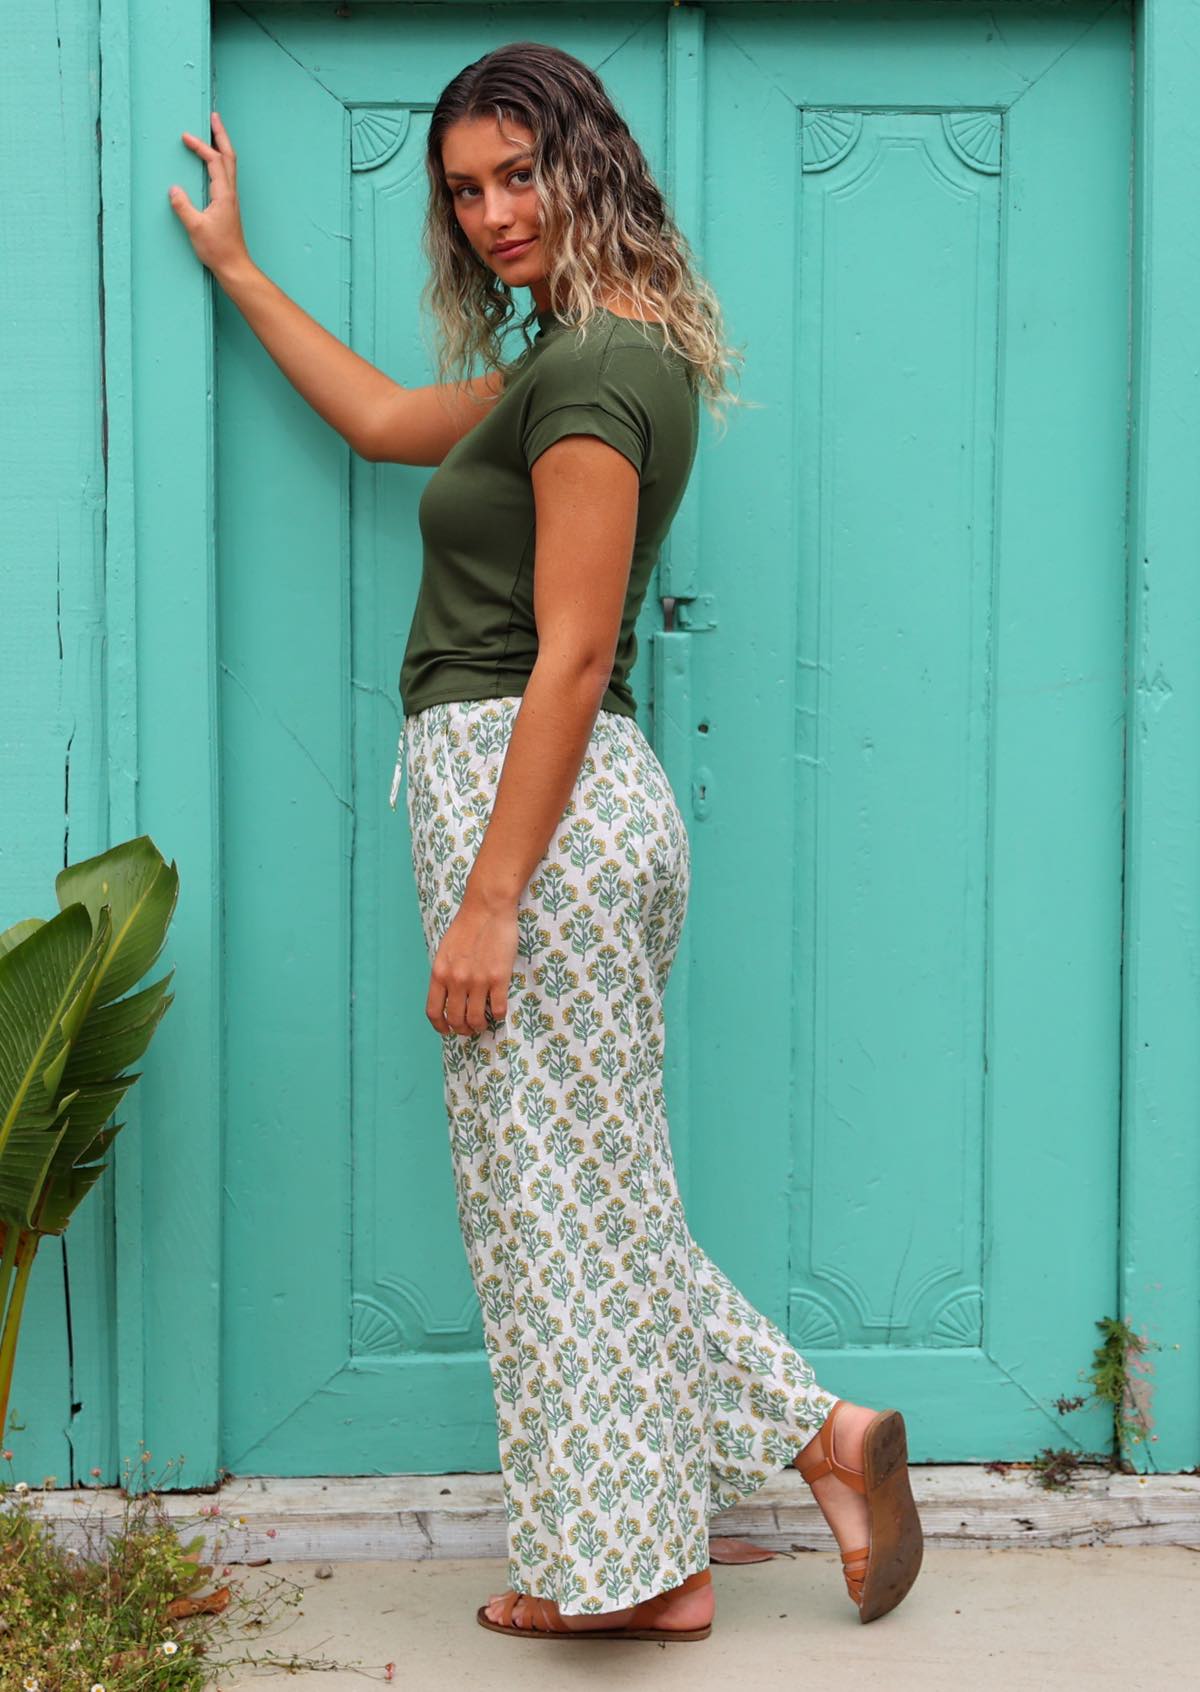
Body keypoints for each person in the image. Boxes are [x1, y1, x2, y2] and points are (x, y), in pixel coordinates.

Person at [169, 39, 923, 1643]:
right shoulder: (581, 357)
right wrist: (239, 269)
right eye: (467, 190)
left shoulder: (588, 376)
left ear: (587, 162)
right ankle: (672, 1557)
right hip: (566, 802)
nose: (496, 212)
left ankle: (779, 1465)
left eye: (520, 173)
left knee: (554, 1202)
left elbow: (571, 652)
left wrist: (493, 896)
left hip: (539, 800)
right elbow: (383, 417)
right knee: (578, 1196)